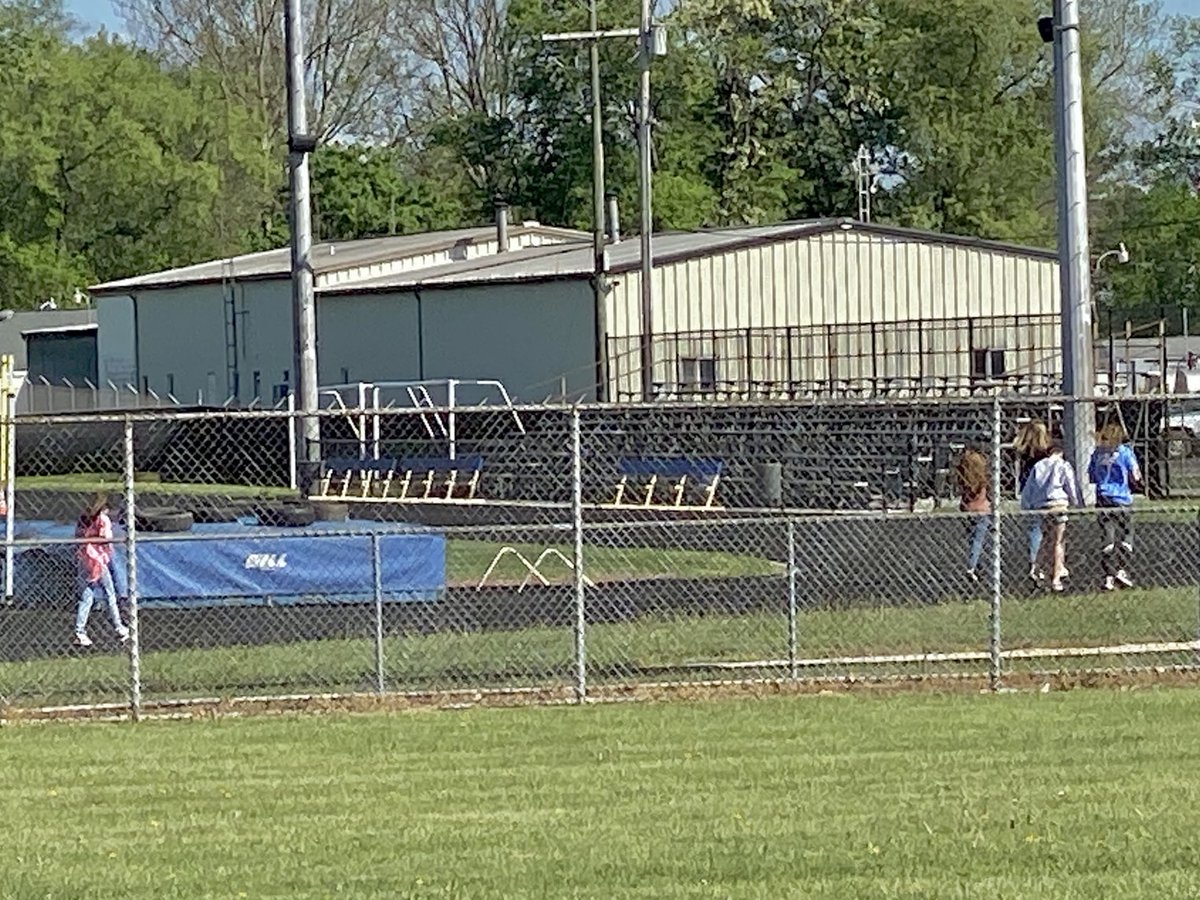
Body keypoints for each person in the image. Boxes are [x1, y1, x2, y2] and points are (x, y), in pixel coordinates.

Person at [1020, 440, 1084, 592]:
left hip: (1042, 506)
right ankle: (1056, 578)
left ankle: (1038, 569)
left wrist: (1027, 505)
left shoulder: (1039, 465)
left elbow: (1030, 487)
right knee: (1058, 541)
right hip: (1058, 504)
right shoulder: (1063, 465)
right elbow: (1071, 485)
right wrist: (1078, 503)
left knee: (1045, 539)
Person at [1089, 421, 1141, 591]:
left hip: (1103, 496)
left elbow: (1091, 475)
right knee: (1127, 533)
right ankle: (1121, 568)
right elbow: (1136, 475)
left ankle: (1108, 577)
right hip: (1121, 497)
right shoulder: (1125, 452)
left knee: (1107, 537)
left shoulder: (1097, 453)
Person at [74, 493, 128, 648]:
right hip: (97, 560)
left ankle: (80, 631)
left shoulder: (83, 520)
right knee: (110, 593)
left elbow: (77, 536)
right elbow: (106, 539)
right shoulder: (103, 520)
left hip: (84, 557)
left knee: (87, 595)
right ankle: (119, 627)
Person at [954, 448, 991, 581]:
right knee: (979, 540)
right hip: (982, 511)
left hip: (967, 510)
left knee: (973, 539)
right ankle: (972, 567)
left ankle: (977, 566)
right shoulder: (982, 478)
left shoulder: (964, 478)